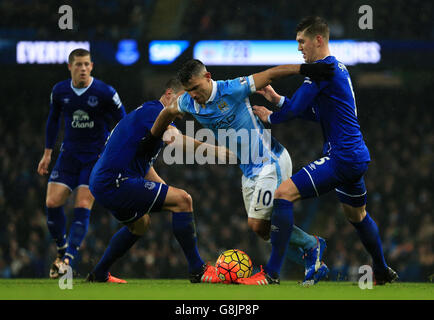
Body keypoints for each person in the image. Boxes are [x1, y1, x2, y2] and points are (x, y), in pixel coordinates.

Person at [142, 58, 334, 285]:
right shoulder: (187, 102)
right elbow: (167, 112)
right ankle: (312, 259)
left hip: (270, 161)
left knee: (256, 223)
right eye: (189, 90)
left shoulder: (231, 89)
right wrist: (152, 137)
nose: (193, 94)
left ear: (207, 77)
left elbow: (271, 73)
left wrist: (306, 69)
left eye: (196, 88)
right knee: (263, 230)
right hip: (248, 170)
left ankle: (303, 252)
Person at [248, 16, 398, 285]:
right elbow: (317, 114)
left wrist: (270, 117)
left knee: (283, 194)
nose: (299, 49)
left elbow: (295, 111)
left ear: (318, 40)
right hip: (355, 155)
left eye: (301, 42)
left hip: (341, 156)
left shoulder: (322, 69)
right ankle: (382, 270)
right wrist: (278, 99)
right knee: (357, 215)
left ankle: (271, 272)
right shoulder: (336, 68)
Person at [86, 79, 230, 283]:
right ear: (169, 93)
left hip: (104, 181)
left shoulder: (146, 114)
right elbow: (176, 140)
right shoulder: (154, 111)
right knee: (183, 200)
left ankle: (99, 273)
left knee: (140, 225)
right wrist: (218, 151)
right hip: (114, 181)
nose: (188, 105)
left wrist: (164, 192)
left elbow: (144, 166)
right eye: (185, 98)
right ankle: (198, 270)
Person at [37, 48, 126, 278]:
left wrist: (117, 152)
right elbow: (53, 121)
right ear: (70, 67)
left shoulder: (105, 92)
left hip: (95, 158)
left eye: (87, 64)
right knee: (52, 202)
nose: (83, 68)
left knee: (83, 204)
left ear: (92, 66)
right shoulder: (60, 91)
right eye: (78, 64)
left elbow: (124, 123)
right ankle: (62, 249)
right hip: (69, 155)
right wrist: (47, 153)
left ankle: (68, 260)